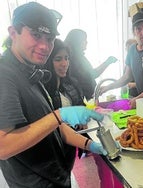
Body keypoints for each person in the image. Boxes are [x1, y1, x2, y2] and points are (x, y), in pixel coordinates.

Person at [0, 2, 108, 187]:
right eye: (36, 35)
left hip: (57, 177)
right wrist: (59, 115)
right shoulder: (5, 74)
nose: (44, 46)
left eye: (49, 38)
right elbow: (3, 146)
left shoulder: (31, 73)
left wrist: (89, 145)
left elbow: (53, 126)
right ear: (13, 32)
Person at [43, 39, 123, 187]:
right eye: (58, 59)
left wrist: (83, 118)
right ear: (48, 61)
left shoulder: (69, 83)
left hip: (70, 147)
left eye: (66, 58)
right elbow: (56, 126)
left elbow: (78, 106)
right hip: (53, 152)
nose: (64, 63)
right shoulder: (44, 90)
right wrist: (90, 144)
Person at [64, 29, 118, 99]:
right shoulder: (74, 58)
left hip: (86, 96)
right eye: (84, 40)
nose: (86, 42)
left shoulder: (78, 57)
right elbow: (93, 74)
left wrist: (108, 62)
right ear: (77, 41)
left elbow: (91, 74)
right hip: (83, 98)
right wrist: (108, 62)